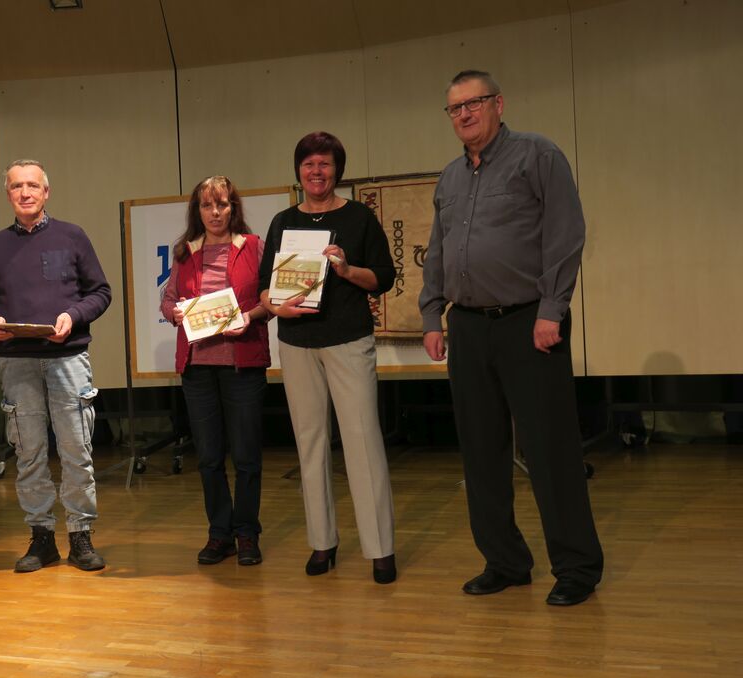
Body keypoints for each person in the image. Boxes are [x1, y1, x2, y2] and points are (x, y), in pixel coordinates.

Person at [419, 70, 604, 606]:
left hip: (529, 323)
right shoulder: (450, 178)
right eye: (454, 108)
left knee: (550, 449)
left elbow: (566, 234)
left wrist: (552, 309)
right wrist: (432, 316)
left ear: (498, 103)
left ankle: (577, 567)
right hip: (468, 326)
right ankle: (504, 561)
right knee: (481, 451)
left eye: (473, 103)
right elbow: (438, 251)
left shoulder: (537, 155)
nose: (464, 114)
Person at [258, 132, 397, 584]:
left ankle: (380, 548)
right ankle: (322, 542)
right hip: (297, 343)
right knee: (310, 442)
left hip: (347, 340)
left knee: (363, 441)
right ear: (298, 171)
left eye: (325, 164)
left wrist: (346, 269)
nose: (316, 172)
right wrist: (276, 306)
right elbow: (265, 286)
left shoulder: (358, 217)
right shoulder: (282, 221)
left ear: (338, 170)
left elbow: (383, 278)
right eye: (308, 164)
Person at [0, 159, 112, 573]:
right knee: (29, 453)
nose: (25, 192)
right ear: (8, 194)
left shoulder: (72, 236)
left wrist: (73, 315)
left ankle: (81, 536)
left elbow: (100, 292)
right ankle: (42, 537)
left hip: (67, 358)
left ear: (46, 192)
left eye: (32, 185)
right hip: (17, 362)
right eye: (17, 186)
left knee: (75, 450)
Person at [160, 176, 270, 566]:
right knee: (208, 457)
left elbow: (271, 300)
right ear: (198, 211)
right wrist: (174, 313)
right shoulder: (185, 251)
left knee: (246, 456)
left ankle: (247, 533)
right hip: (198, 368)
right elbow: (168, 300)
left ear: (233, 208)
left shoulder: (253, 246)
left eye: (222, 204)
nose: (215, 212)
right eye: (207, 206)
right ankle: (219, 533)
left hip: (243, 364)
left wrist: (250, 316)